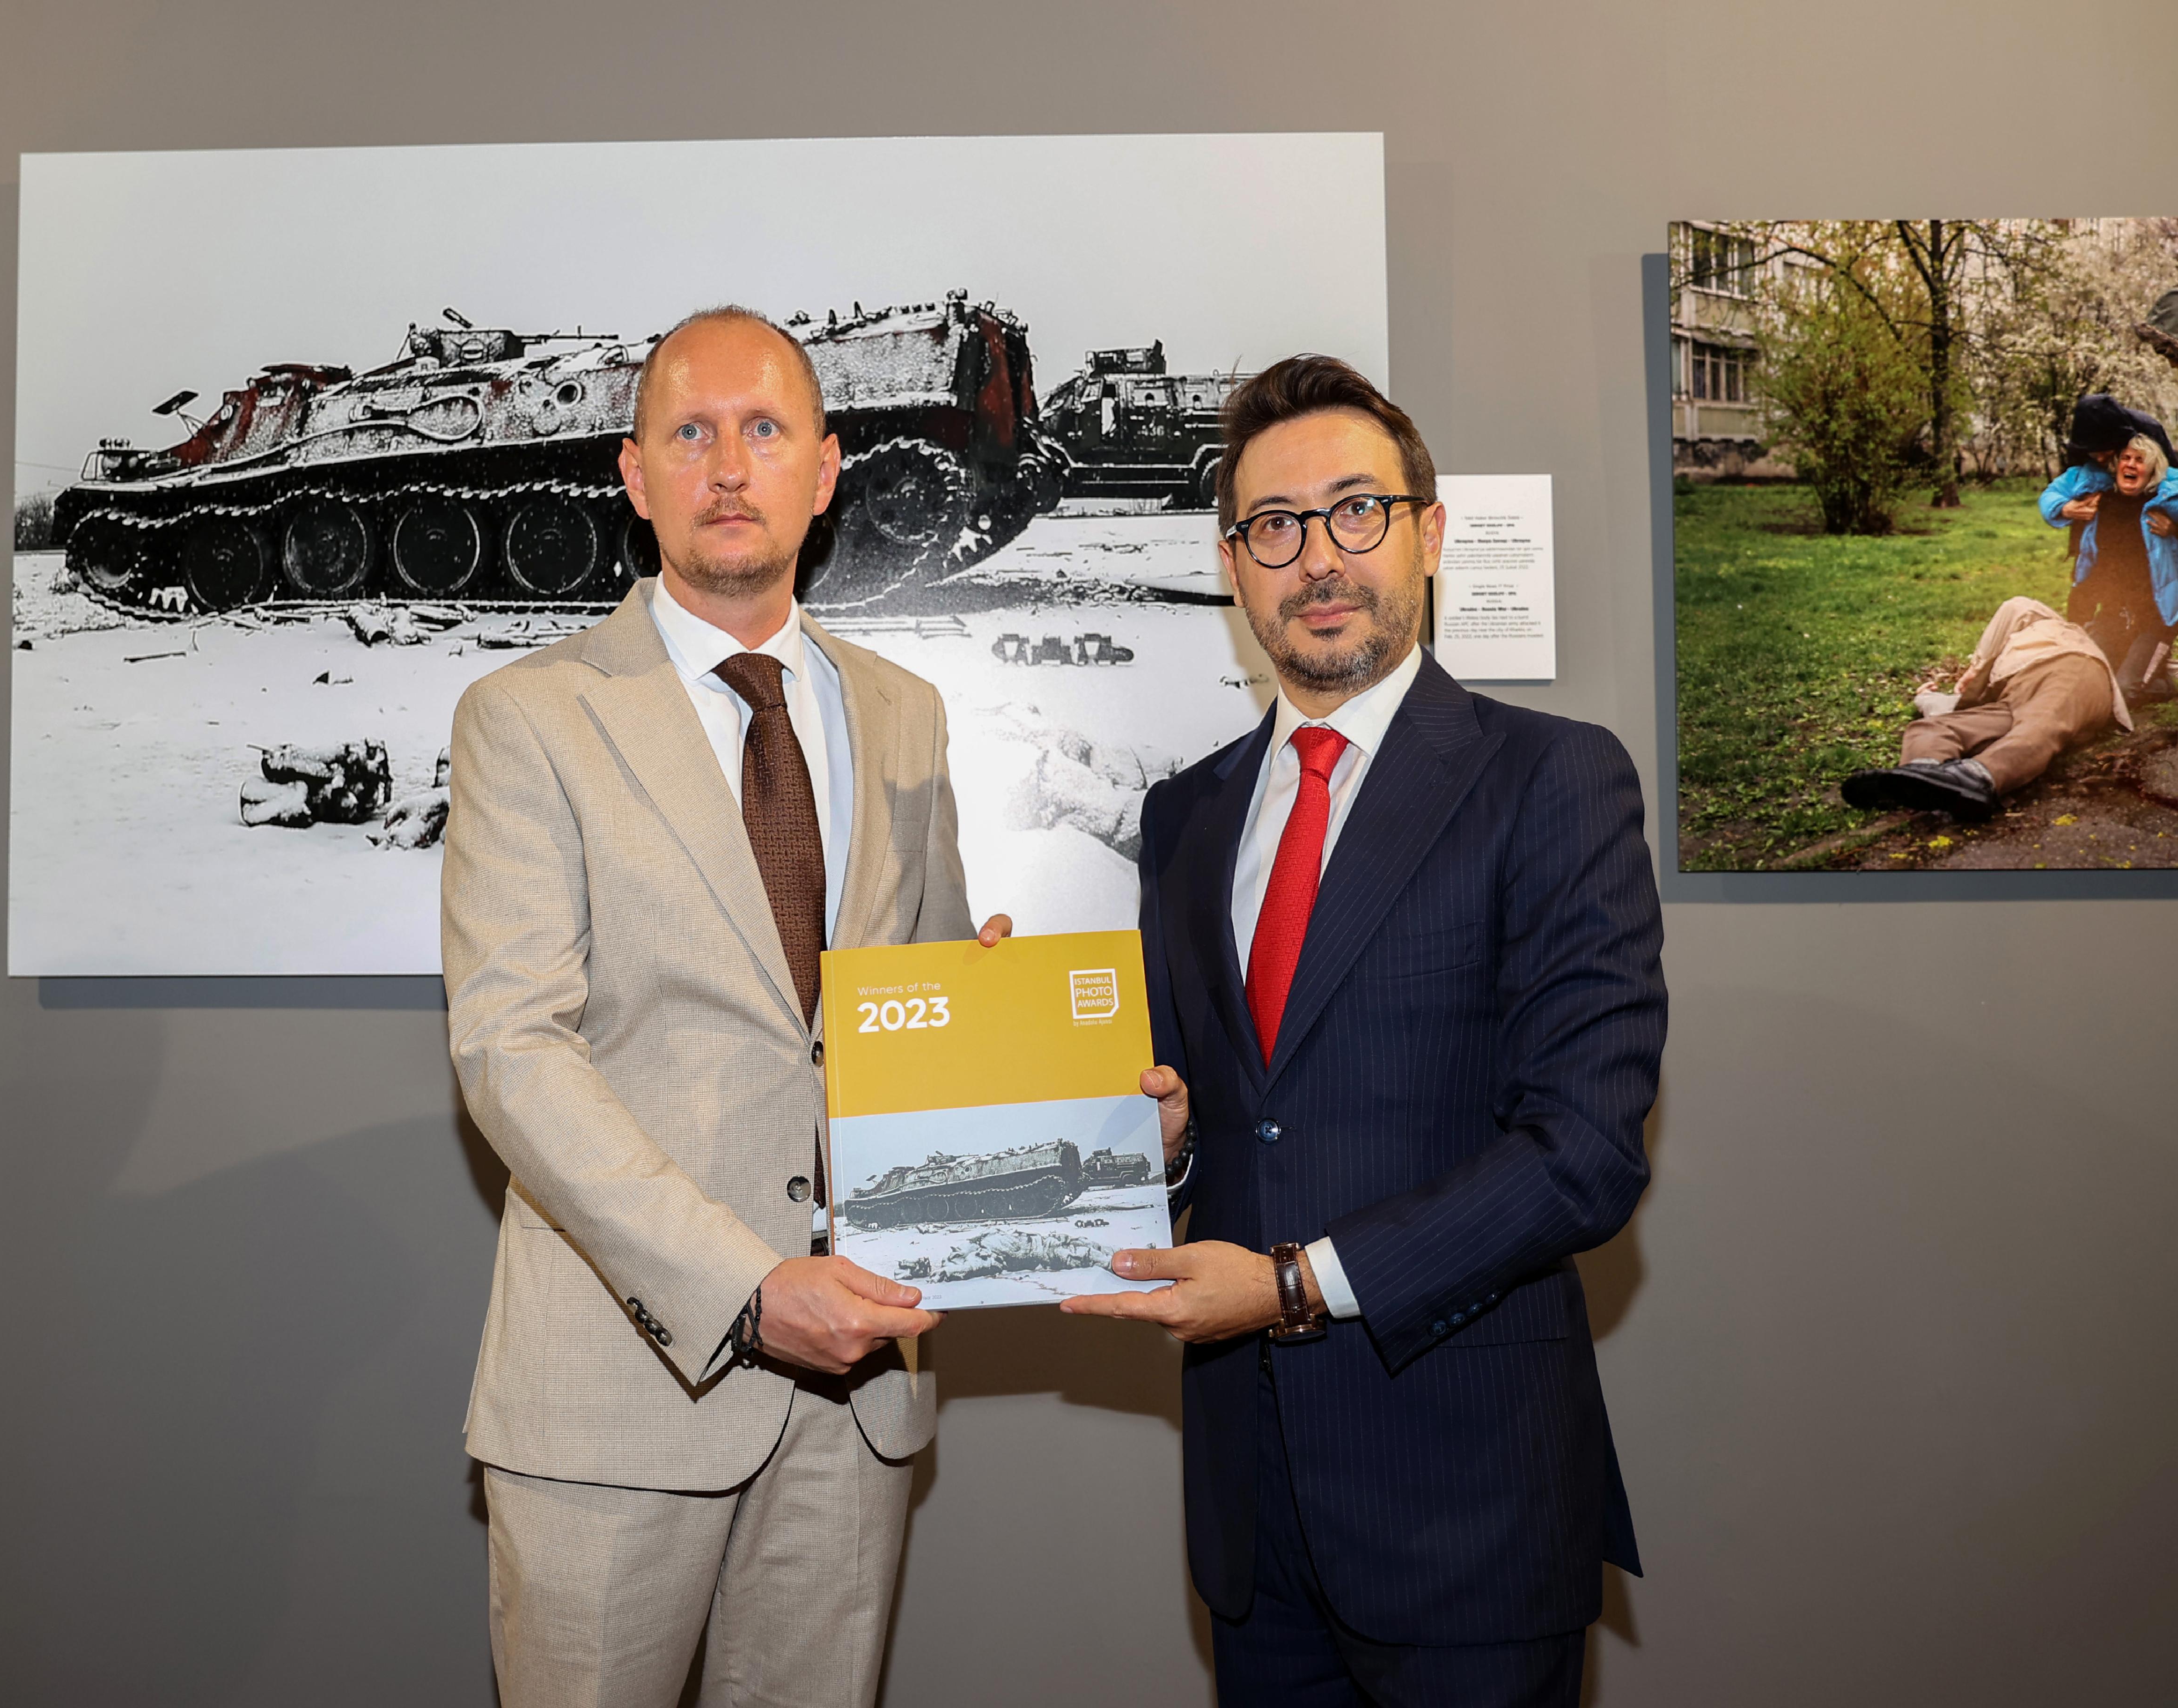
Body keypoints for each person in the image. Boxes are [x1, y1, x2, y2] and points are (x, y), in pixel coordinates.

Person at [1062, 355, 1666, 1707]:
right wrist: (1159, 1142)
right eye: (1274, 526)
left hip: (1469, 1505)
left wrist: (1291, 1286)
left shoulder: (1552, 779)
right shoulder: (1184, 818)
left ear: (1428, 534)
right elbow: (1214, 1120)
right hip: (1253, 1518)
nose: (1318, 558)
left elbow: (1583, 1153)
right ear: (1234, 566)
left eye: (1356, 511)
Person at [442, 306, 1008, 1707]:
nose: (729, 465)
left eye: (764, 429)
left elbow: (918, 1005)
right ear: (634, 478)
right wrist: (744, 1290)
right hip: (617, 1395)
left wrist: (1021, 1049)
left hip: (857, 1396)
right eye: (690, 433)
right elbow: (513, 1052)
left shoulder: (906, 713)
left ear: (827, 469)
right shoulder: (528, 716)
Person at [1840, 596, 2127, 819]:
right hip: (2015, 695)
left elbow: (2016, 606)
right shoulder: (2007, 663)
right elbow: (1954, 708)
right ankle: (1920, 774)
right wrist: (1926, 698)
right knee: (1932, 727)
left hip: (2070, 668)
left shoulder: (2054, 628)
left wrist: (1975, 667)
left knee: (2041, 725)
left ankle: (1979, 777)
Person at [2040, 431, 2178, 702]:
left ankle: (2163, 682)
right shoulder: (2102, 501)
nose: (2131, 465)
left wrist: (2176, 529)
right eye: (2126, 458)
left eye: (2140, 460)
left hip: (2156, 622)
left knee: (2124, 691)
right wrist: (2066, 508)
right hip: (2114, 616)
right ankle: (2140, 664)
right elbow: (2053, 495)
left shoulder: (2164, 502)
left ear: (2153, 470)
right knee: (2087, 678)